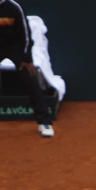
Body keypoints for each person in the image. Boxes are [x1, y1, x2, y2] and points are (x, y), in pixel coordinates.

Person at [0, 0, 55, 137]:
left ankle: (44, 122)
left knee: (29, 76)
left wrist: (25, 58)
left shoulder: (13, 7)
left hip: (15, 48)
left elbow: (25, 35)